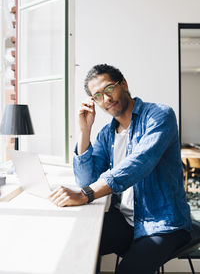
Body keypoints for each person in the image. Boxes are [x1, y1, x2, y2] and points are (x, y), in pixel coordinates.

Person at [49, 64, 192, 274]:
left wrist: (85, 195)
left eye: (109, 89)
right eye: (97, 96)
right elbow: (86, 180)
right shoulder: (107, 135)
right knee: (72, 244)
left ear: (123, 84)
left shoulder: (159, 116)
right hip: (125, 221)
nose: (106, 99)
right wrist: (84, 131)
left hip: (163, 225)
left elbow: (137, 165)